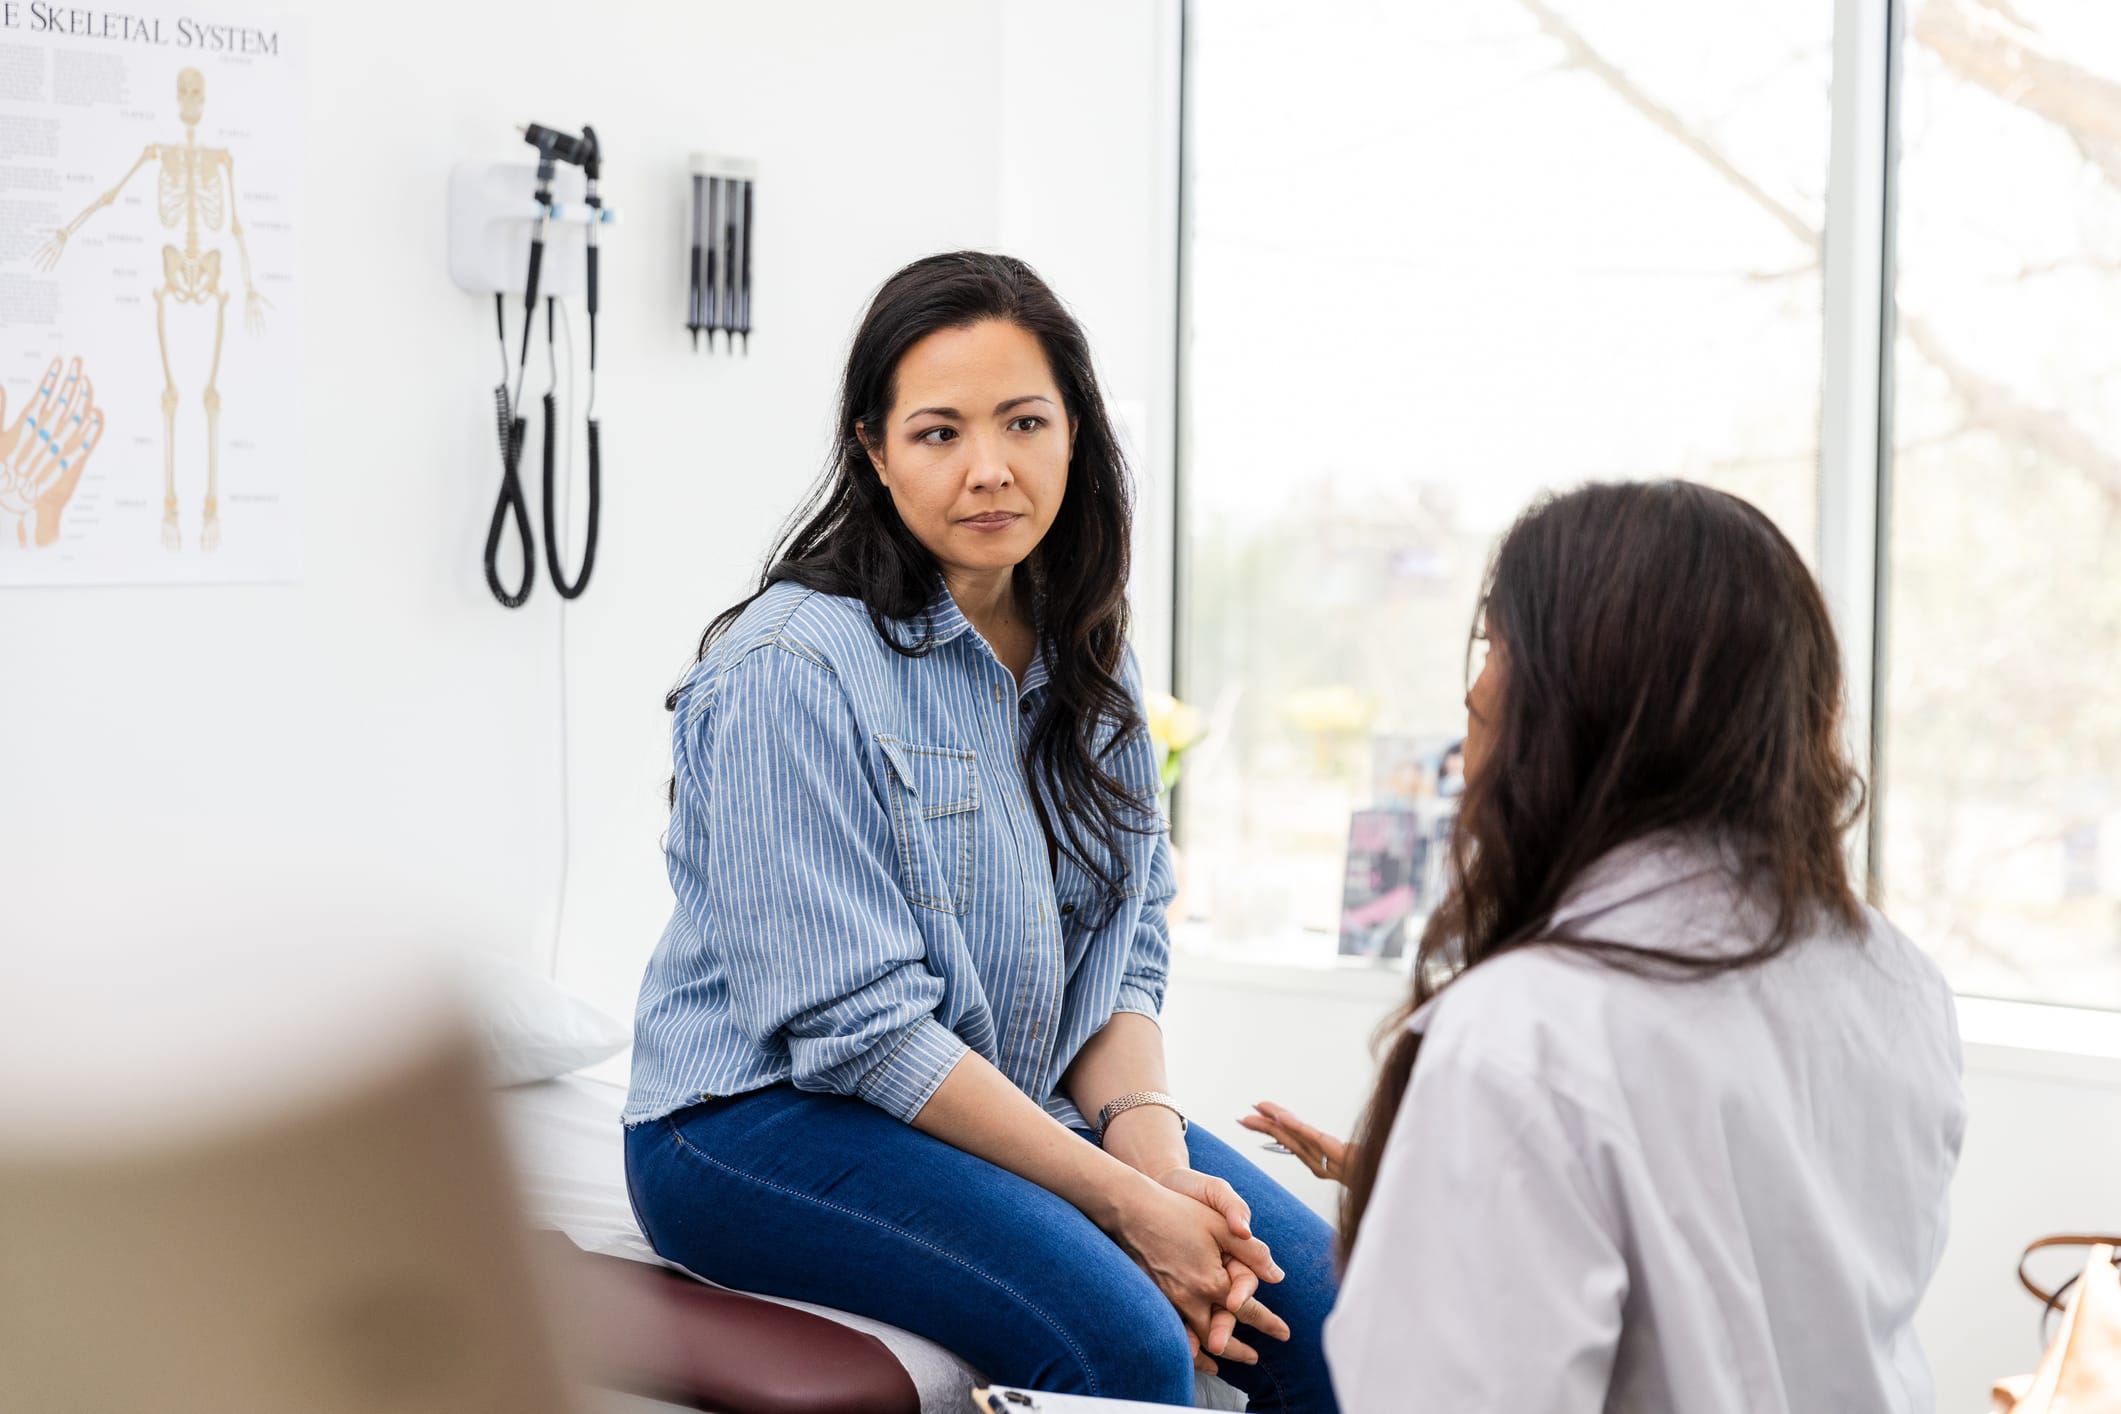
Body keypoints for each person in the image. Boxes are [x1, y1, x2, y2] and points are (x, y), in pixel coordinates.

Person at [624, 252, 1341, 1411]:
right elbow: (860, 1032)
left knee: (1321, 1314)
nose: (989, 470)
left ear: (1077, 433)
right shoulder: (787, 672)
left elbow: (1121, 947)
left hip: (1000, 1089)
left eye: (1023, 422)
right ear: (875, 448)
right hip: (753, 1125)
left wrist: (1154, 1160)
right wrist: (1122, 1207)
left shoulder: (1092, 658)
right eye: (939, 432)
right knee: (1123, 1347)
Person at [1244, 481, 1965, 1412]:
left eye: (1498, 646)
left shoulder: (1522, 1034)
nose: (1471, 690)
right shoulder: (1893, 978)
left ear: (1572, 704)